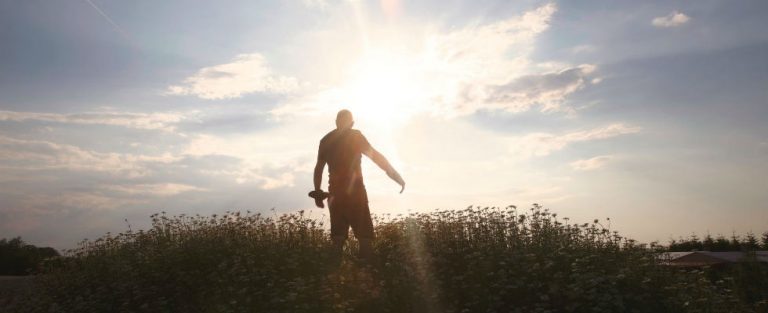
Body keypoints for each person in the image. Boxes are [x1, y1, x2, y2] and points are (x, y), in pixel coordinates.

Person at [313, 109, 405, 263]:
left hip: (335, 193)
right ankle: (366, 273)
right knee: (364, 237)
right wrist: (395, 176)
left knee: (338, 237)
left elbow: (319, 168)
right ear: (352, 123)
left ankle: (335, 277)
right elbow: (376, 157)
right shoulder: (355, 136)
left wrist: (317, 192)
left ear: (336, 122)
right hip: (356, 193)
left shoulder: (325, 140)